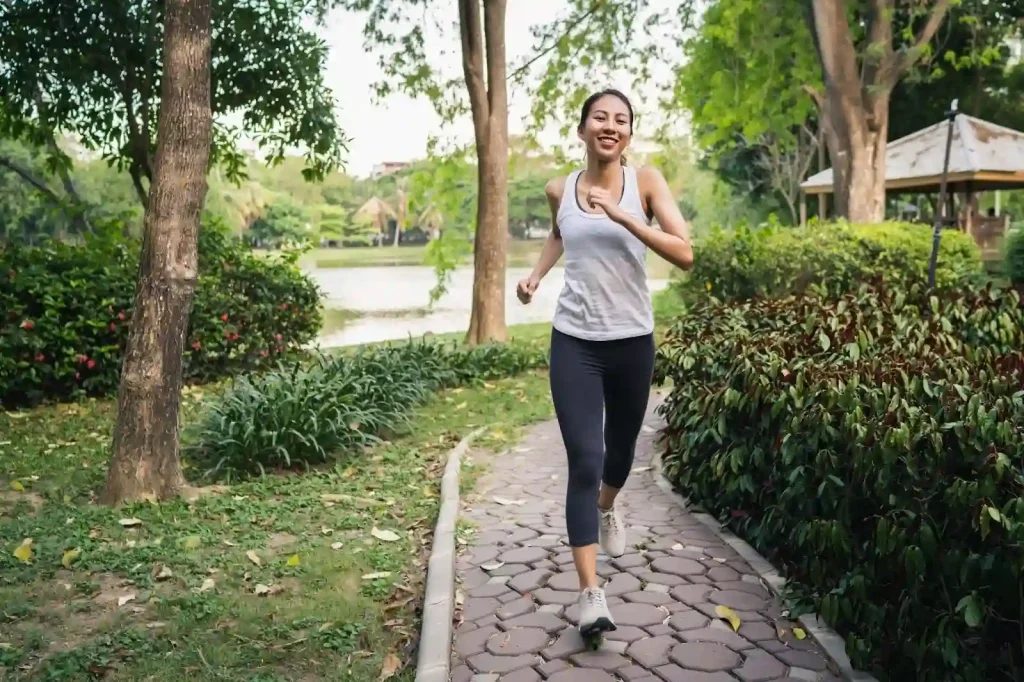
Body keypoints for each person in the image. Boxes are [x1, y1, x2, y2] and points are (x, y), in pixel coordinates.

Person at [516, 88, 694, 640]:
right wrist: (536, 274)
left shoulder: (646, 182)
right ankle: (590, 594)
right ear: (582, 129)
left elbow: (685, 252)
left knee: (620, 455)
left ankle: (609, 507)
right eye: (600, 117)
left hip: (632, 341)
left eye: (620, 119)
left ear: (629, 134)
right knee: (585, 459)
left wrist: (624, 216)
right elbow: (558, 232)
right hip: (575, 341)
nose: (609, 125)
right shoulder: (559, 188)